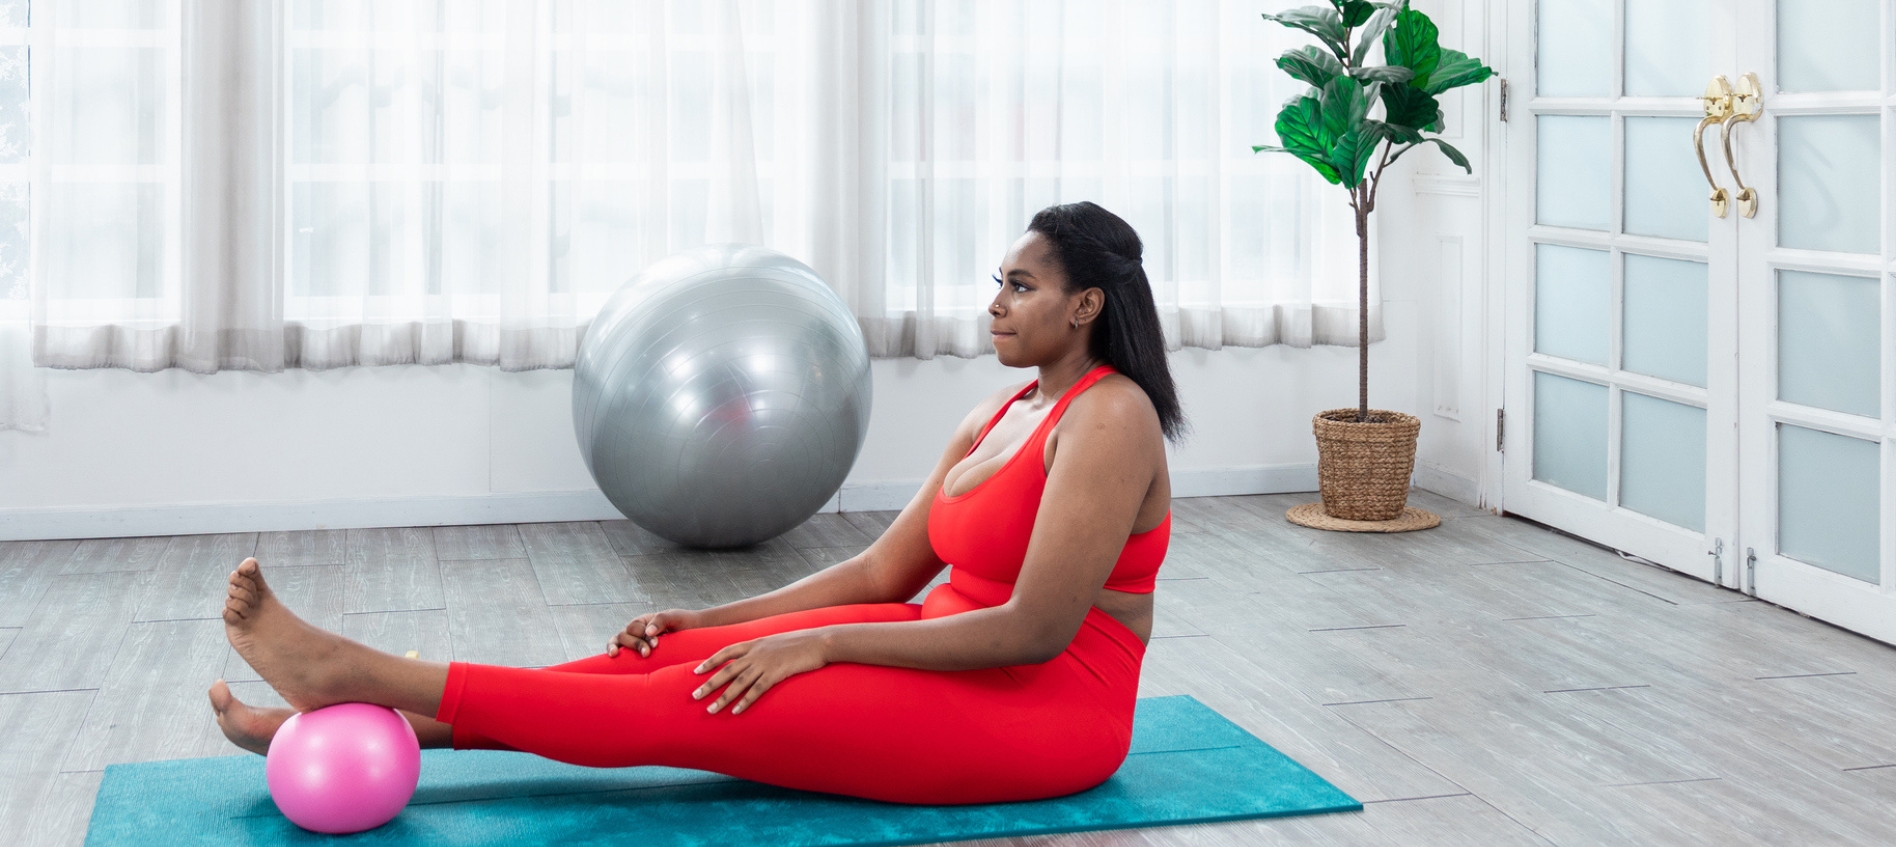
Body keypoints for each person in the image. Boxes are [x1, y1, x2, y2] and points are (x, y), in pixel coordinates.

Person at [209, 201, 1184, 805]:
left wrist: (820, 643)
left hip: (1045, 710)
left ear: (1087, 305)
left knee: (693, 702)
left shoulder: (1111, 420)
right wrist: (713, 617)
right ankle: (353, 710)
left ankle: (354, 671)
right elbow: (886, 572)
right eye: (997, 284)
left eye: (1021, 287)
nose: (996, 304)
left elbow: (1034, 630)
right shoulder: (1003, 409)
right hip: (943, 650)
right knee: (675, 655)